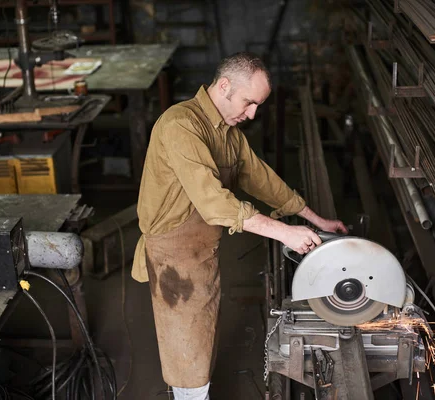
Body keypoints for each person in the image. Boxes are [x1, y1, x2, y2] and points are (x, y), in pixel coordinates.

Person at [132, 52, 348, 400]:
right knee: (187, 353)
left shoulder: (227, 132)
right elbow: (215, 203)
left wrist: (313, 218)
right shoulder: (181, 126)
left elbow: (261, 178)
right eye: (249, 103)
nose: (252, 114)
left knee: (203, 338)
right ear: (224, 85)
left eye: (258, 106)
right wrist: (284, 232)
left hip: (203, 249)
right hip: (175, 257)